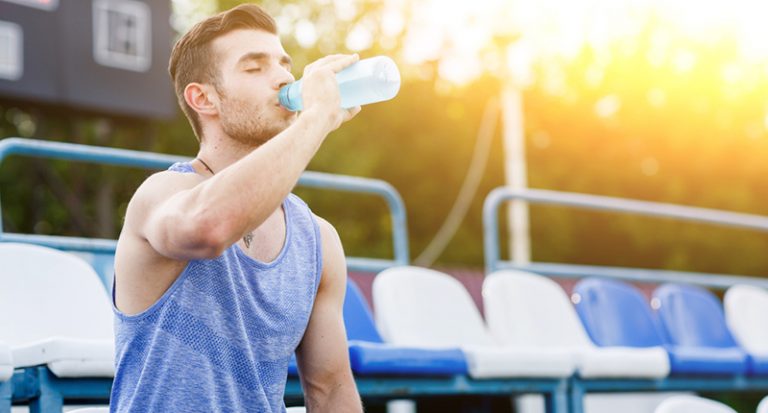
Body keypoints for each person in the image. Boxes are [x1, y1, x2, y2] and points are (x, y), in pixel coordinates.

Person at [110, 3, 363, 412]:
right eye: (254, 67)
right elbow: (210, 227)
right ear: (204, 98)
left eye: (284, 64)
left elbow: (331, 389)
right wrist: (315, 117)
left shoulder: (319, 239)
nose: (283, 77)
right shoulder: (160, 195)